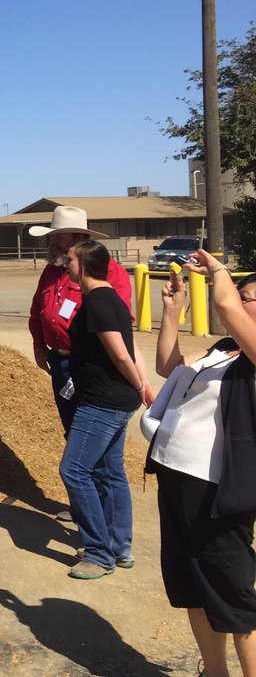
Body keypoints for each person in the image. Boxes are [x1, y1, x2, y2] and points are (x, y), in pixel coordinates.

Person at [146, 255, 256, 677]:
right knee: (191, 587)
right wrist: (172, 313)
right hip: (177, 478)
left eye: (250, 300)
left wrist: (218, 271)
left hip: (219, 492)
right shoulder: (224, 349)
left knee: (232, 595)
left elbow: (226, 306)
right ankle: (214, 671)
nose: (236, 304)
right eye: (241, 297)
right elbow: (169, 369)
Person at [59, 239, 154, 580]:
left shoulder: (99, 301)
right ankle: (119, 547)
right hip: (112, 399)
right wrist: (139, 385)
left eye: (69, 258)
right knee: (109, 472)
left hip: (102, 402)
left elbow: (120, 353)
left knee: (74, 470)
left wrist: (142, 386)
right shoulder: (109, 296)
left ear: (84, 264)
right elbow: (130, 347)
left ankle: (99, 553)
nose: (65, 262)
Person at [28, 206, 134, 438]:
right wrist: (39, 345)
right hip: (60, 362)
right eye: (53, 235)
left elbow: (120, 321)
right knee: (73, 428)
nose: (53, 240)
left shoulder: (111, 272)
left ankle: (87, 474)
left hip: (92, 365)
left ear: (80, 239)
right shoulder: (51, 271)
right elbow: (38, 310)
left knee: (93, 434)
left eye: (60, 235)